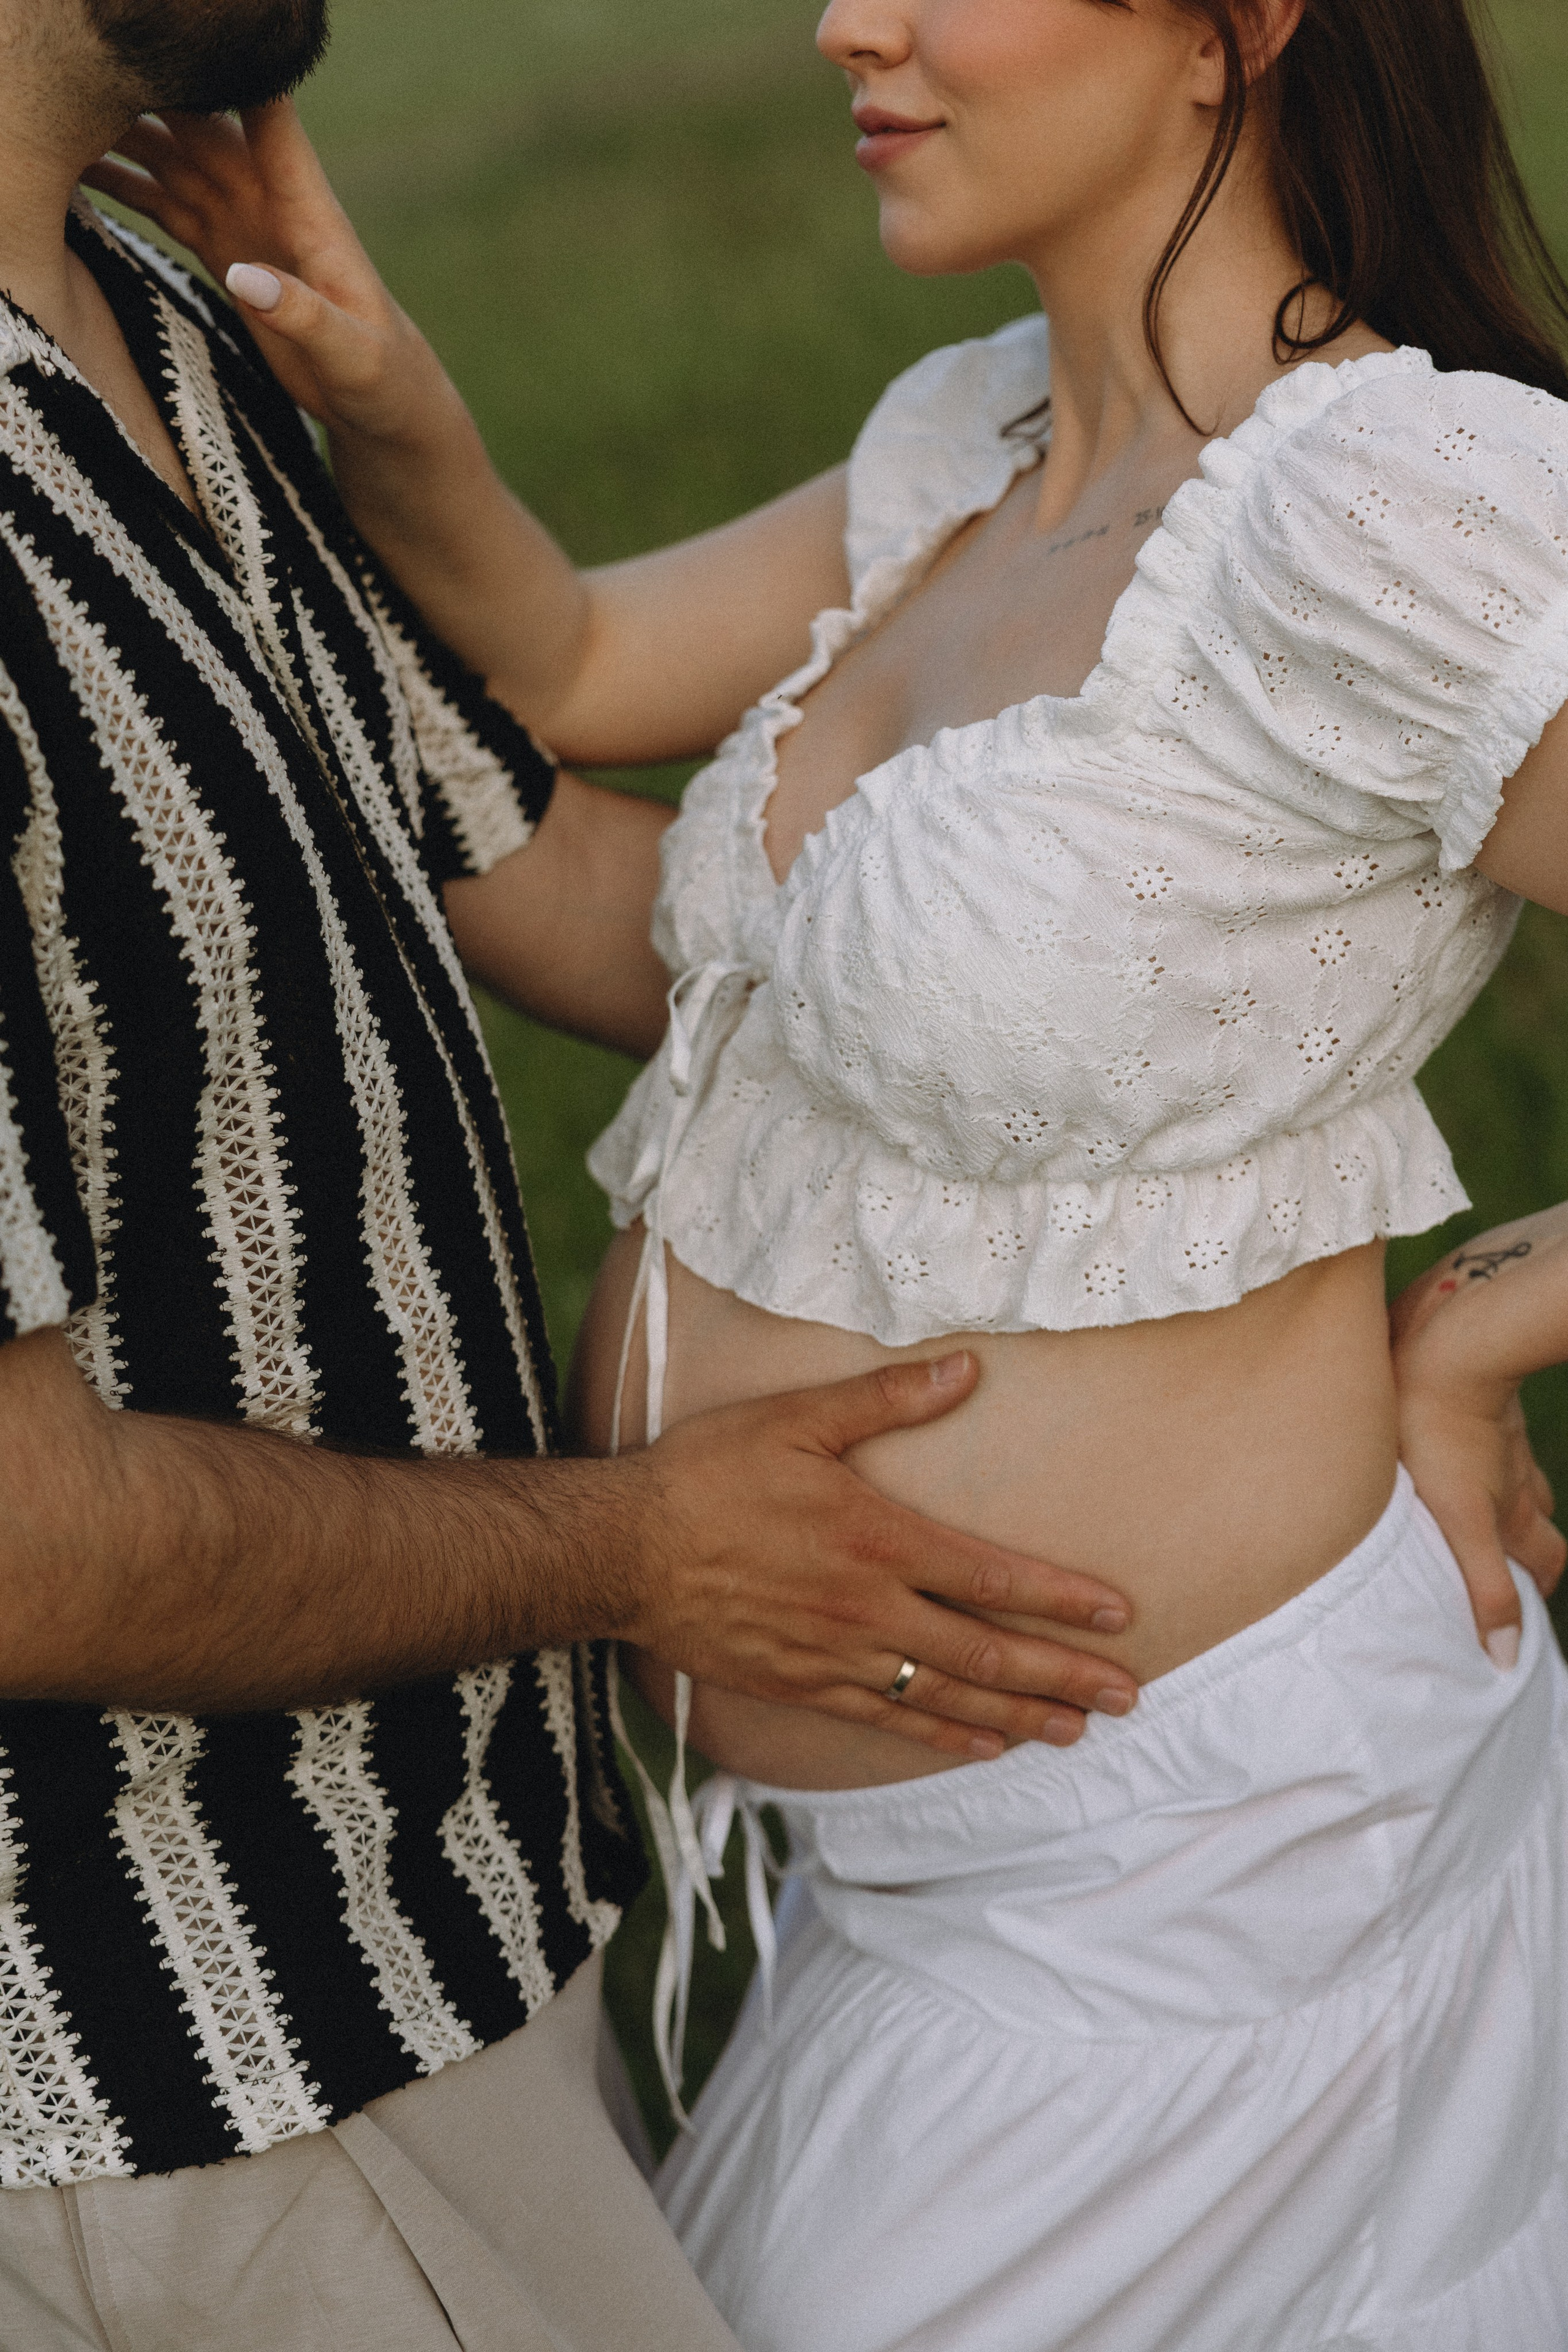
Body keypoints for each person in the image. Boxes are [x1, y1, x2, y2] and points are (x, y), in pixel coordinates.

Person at [110, 0, 1568, 2337]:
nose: (842, 22)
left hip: (1201, 1887)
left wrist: (1491, 1319)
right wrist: (378, 392)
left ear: (1238, 31)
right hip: (900, 1891)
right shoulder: (969, 444)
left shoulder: (1392, 506)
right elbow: (574, 670)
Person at [0, 4, 1168, 2346]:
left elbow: (581, 893)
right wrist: (641, 1546)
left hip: (468, 1923)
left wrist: (1355, 1248)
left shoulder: (147, 322)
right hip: (190, 2057)